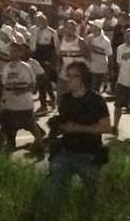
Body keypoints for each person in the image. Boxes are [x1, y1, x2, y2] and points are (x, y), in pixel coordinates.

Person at [48, 61, 111, 203]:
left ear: (82, 79)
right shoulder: (65, 99)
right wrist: (56, 126)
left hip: (89, 154)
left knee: (94, 197)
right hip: (66, 152)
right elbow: (64, 122)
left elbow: (106, 127)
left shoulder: (96, 100)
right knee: (55, 191)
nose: (67, 80)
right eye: (66, 76)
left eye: (71, 76)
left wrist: (78, 128)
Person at [0, 43, 44, 154]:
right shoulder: (6, 67)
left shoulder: (25, 67)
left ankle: (40, 145)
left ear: (19, 53)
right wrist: (2, 100)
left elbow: (32, 85)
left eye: (14, 51)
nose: (11, 53)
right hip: (9, 105)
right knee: (3, 129)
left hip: (24, 105)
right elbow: (4, 85)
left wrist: (21, 91)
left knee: (32, 127)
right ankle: (2, 150)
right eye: (10, 51)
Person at [29, 12, 58, 111]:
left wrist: (51, 61)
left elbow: (54, 49)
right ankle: (50, 100)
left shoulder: (52, 32)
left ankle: (44, 104)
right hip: (35, 56)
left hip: (46, 58)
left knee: (43, 80)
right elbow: (31, 43)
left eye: (41, 21)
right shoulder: (33, 30)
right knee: (42, 80)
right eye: (37, 21)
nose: (39, 23)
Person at [88, 20, 112, 93]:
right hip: (89, 66)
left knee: (95, 88)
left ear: (97, 28)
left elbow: (109, 54)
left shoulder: (105, 40)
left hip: (99, 67)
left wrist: (94, 48)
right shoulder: (89, 37)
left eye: (93, 26)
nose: (91, 27)